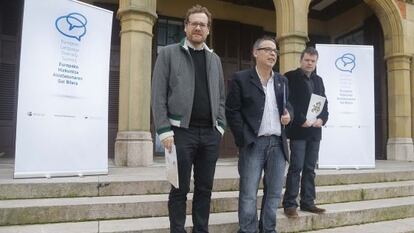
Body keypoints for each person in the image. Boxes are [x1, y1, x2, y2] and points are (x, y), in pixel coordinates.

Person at [151, 5, 226, 233]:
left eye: (202, 24)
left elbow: (221, 97)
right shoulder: (169, 53)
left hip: (210, 135)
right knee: (179, 188)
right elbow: (158, 94)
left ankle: (200, 229)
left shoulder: (215, 60)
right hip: (180, 133)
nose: (198, 27)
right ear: (185, 27)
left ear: (208, 30)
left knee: (205, 188)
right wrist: (163, 130)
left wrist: (220, 127)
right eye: (193, 23)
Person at [226, 36, 293, 233]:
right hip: (253, 143)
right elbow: (232, 111)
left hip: (278, 145)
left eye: (275, 51)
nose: (273, 53)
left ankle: (268, 229)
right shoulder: (241, 78)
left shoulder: (282, 80)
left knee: (273, 193)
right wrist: (244, 139)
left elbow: (288, 105)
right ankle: (248, 230)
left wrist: (290, 114)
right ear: (255, 53)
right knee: (248, 193)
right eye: (268, 49)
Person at [282, 47, 329, 218]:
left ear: (316, 62)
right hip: (298, 130)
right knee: (296, 167)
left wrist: (322, 119)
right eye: (307, 60)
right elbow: (288, 102)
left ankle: (308, 202)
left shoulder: (319, 80)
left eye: (313, 61)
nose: (309, 63)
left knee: (310, 168)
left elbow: (324, 103)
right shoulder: (290, 77)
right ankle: (289, 204)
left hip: (315, 132)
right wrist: (301, 119)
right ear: (301, 60)